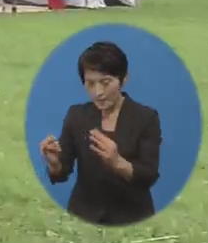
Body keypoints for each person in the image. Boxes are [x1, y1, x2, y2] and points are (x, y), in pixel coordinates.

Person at [39, 41, 161, 226]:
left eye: (106, 83)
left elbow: (148, 175)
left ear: (123, 79)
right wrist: (55, 164)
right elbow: (62, 173)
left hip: (132, 218)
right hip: (83, 216)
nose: (98, 93)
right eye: (90, 84)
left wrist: (118, 162)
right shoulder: (77, 115)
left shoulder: (146, 118)